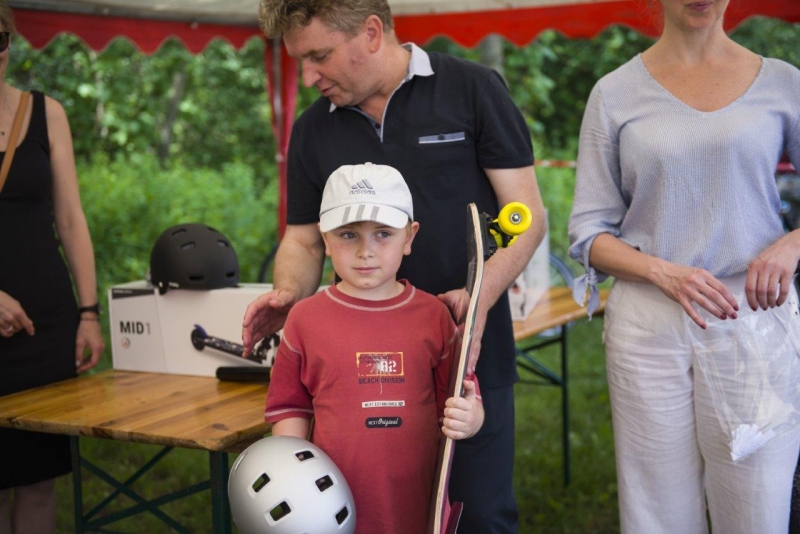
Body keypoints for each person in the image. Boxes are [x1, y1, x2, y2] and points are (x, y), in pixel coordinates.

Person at [243, 2, 546, 530]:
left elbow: (529, 217)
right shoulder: (313, 128)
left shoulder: (472, 89)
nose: (308, 77)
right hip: (358, 369)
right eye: (299, 61)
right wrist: (288, 293)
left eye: (319, 56)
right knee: (370, 509)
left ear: (371, 33)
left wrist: (478, 300)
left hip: (464, 354)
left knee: (480, 514)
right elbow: (304, 240)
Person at [568, 0, 800, 532]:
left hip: (752, 315)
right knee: (656, 512)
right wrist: (661, 272)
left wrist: (792, 244)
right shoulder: (613, 93)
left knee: (757, 510)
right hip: (647, 325)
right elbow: (589, 233)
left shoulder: (784, 83)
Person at [265, 162, 485, 533]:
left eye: (383, 233)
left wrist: (472, 418)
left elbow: (463, 396)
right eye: (348, 234)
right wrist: (292, 475)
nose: (365, 251)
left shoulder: (433, 316)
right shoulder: (304, 319)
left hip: (416, 506)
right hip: (330, 508)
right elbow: (289, 406)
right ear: (325, 238)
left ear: (409, 237)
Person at [0, 3, 105, 532]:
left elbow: (70, 218)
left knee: (40, 480)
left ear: (9, 42)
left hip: (45, 321)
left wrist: (88, 313)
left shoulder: (47, 112)